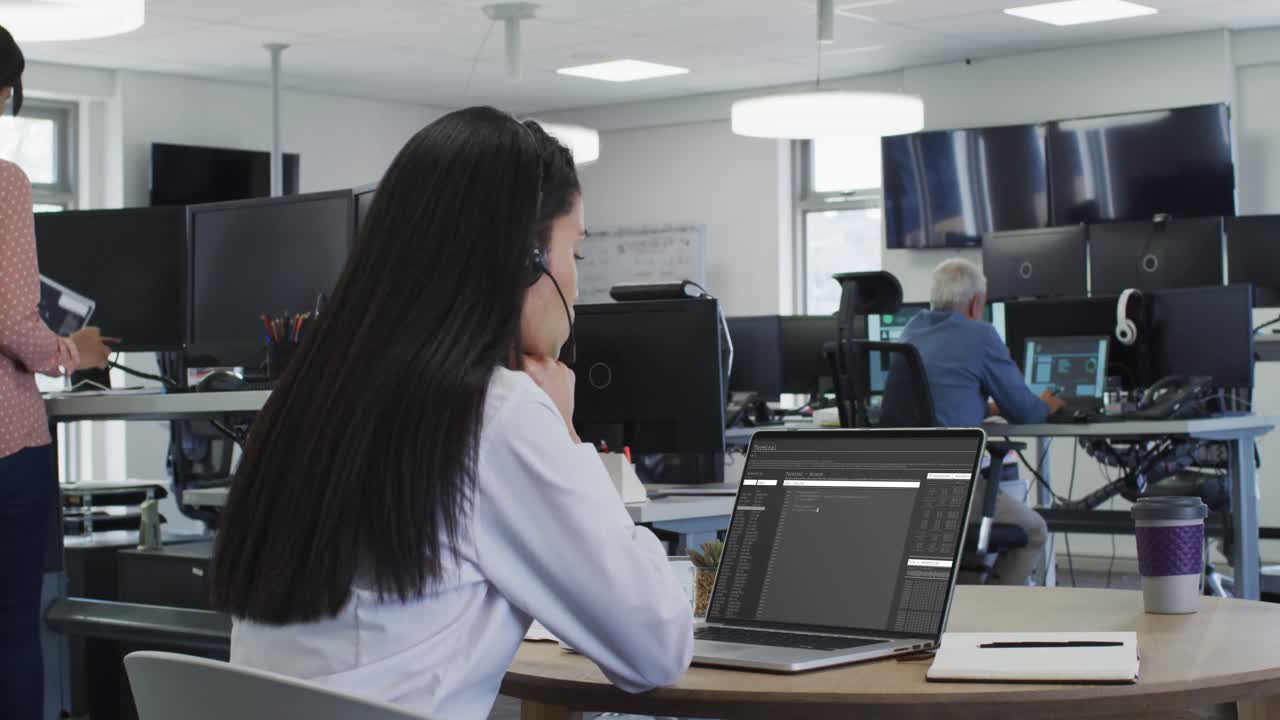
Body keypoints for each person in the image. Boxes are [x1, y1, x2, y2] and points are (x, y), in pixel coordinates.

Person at [210, 107, 693, 720]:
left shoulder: (309, 399)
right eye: (576, 253)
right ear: (525, 260)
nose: (574, 282)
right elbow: (657, 647)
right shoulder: (497, 415)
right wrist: (568, 435)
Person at [0, 24, 115, 719]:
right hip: (6, 443)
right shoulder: (4, 183)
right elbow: (15, 322)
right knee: (12, 628)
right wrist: (72, 350)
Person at [898, 258, 1064, 586]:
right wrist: (1046, 404)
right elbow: (1026, 413)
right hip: (954, 486)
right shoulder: (980, 334)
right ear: (977, 303)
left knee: (968, 548)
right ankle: (995, 621)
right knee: (1034, 531)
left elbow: (933, 400)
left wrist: (981, 408)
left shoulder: (909, 330)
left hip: (908, 487)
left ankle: (967, 612)